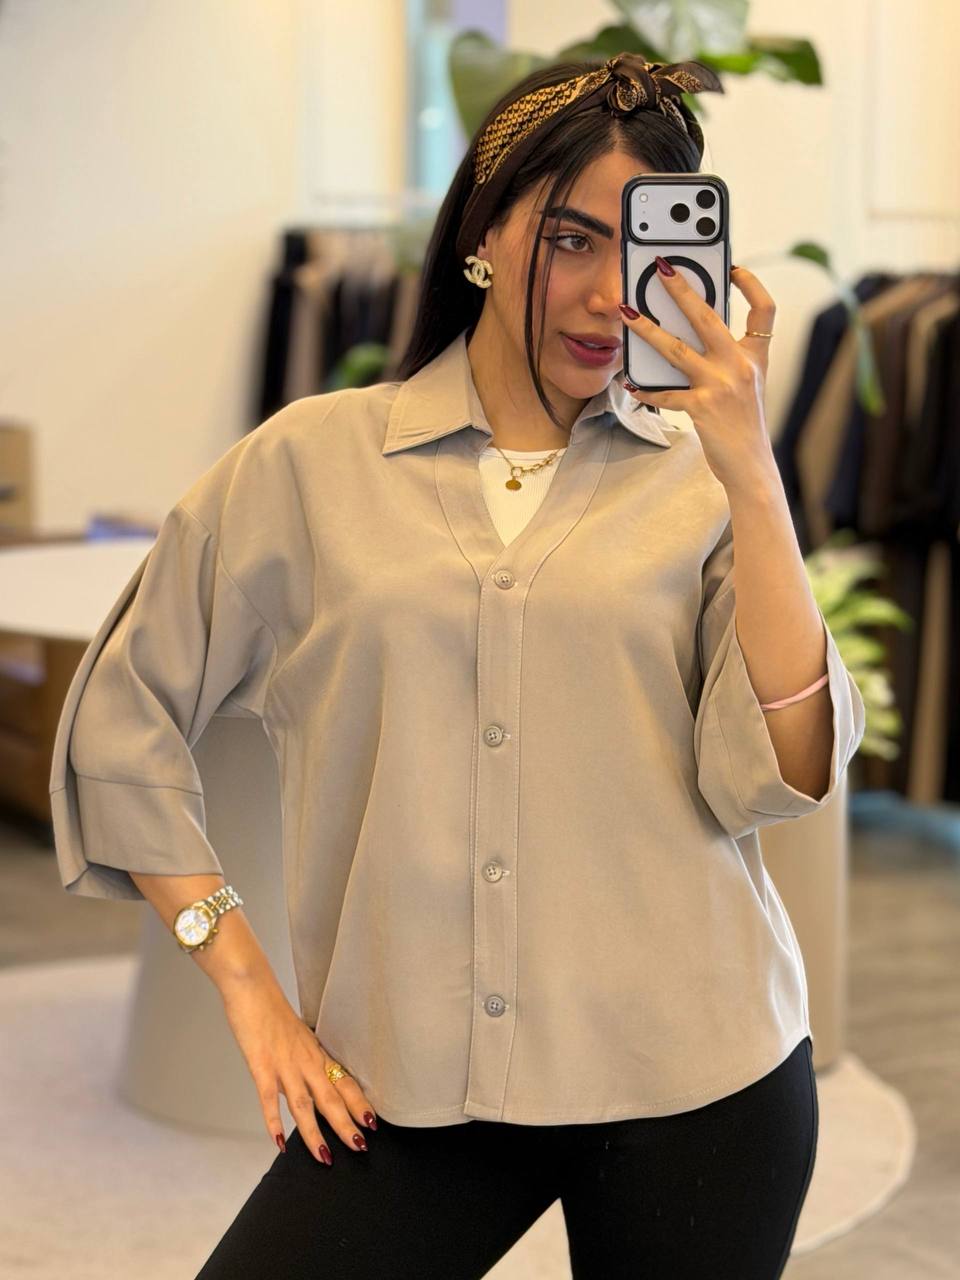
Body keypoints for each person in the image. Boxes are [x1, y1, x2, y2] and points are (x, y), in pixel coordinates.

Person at [50, 52, 865, 1279]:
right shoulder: (308, 465)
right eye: (570, 240)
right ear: (485, 232)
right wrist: (245, 982)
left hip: (700, 1080)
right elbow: (122, 717)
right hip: (407, 1079)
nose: (607, 296)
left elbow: (780, 773)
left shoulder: (704, 481)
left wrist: (751, 472)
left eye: (638, 253)